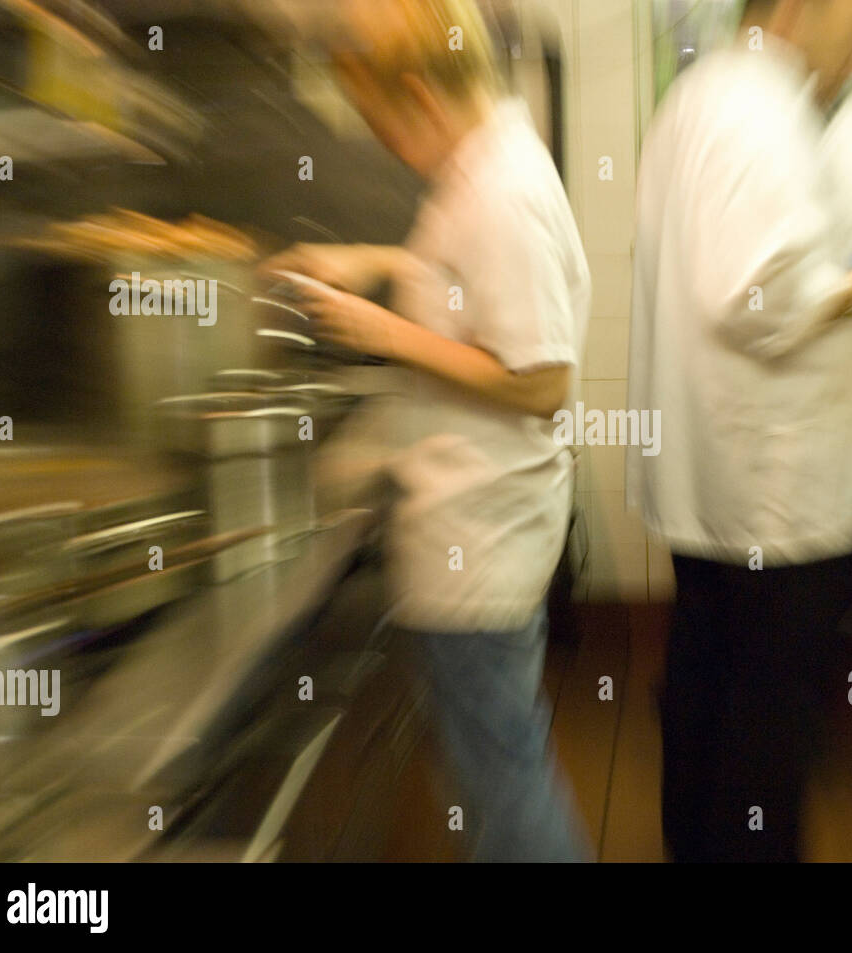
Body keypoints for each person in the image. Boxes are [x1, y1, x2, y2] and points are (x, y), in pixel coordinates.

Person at [267, 0, 592, 862]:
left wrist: (379, 331)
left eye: (375, 121)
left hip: (480, 547)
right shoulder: (483, 171)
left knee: (504, 780)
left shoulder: (504, 192)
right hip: (474, 537)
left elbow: (541, 380)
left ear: (415, 94)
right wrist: (375, 262)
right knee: (493, 768)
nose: (376, 140)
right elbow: (463, 284)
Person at [626, 0, 852, 862]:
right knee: (760, 751)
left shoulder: (698, 97)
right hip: (775, 504)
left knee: (704, 711)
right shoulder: (761, 106)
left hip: (715, 491)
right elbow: (758, 298)